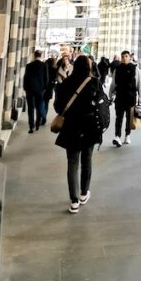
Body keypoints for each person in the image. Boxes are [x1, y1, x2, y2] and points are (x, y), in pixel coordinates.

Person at [53, 54, 103, 213]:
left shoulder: (66, 83)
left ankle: (74, 201)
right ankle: (83, 193)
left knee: (72, 163)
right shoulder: (94, 82)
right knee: (87, 160)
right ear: (88, 67)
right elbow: (102, 104)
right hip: (89, 126)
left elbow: (58, 106)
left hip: (71, 126)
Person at [108, 50, 140, 146]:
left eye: (126, 56)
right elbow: (113, 83)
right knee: (119, 117)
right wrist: (111, 95)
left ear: (130, 57)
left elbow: (139, 83)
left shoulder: (135, 68)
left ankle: (127, 135)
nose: (124, 58)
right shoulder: (117, 69)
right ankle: (117, 136)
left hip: (131, 97)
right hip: (120, 96)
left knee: (129, 117)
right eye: (122, 57)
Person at [23, 49, 49, 133]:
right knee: (38, 107)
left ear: (34, 55)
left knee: (30, 108)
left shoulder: (29, 65)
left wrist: (25, 88)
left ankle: (31, 127)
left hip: (30, 89)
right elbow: (46, 78)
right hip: (40, 90)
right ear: (40, 56)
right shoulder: (44, 65)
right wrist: (44, 88)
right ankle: (37, 124)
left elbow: (25, 78)